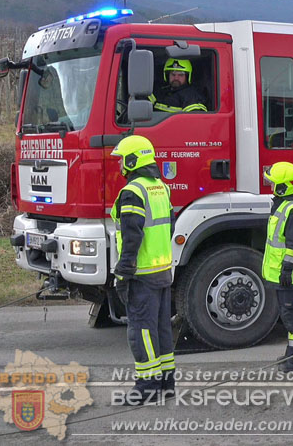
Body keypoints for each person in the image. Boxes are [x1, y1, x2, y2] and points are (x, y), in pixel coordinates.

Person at [110, 135, 176, 405]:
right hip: (162, 269)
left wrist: (123, 272)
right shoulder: (160, 186)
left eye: (122, 160)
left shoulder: (133, 191)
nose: (120, 166)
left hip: (142, 273)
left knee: (141, 331)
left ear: (132, 160)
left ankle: (147, 386)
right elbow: (169, 225)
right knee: (161, 329)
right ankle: (166, 382)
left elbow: (132, 237)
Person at [262, 161, 293, 372]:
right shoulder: (284, 206)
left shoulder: (292, 211)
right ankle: (292, 355)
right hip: (286, 276)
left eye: (273, 184)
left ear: (283, 188)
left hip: (290, 277)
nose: (270, 187)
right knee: (290, 318)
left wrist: (287, 270)